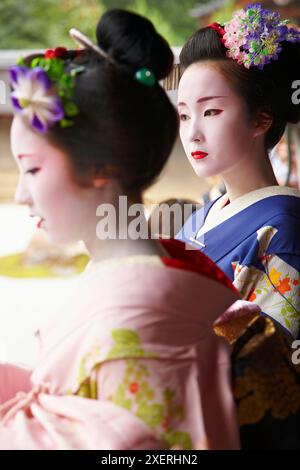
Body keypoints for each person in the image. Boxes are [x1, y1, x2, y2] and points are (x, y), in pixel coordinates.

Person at [0, 9, 242, 450]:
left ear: (101, 168)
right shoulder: (141, 272)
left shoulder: (142, 333)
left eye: (32, 169)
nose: (21, 195)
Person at [175, 3, 300, 449]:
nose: (192, 133)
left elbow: (271, 364)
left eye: (210, 112)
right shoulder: (203, 212)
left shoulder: (284, 227)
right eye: (185, 114)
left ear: (262, 119)